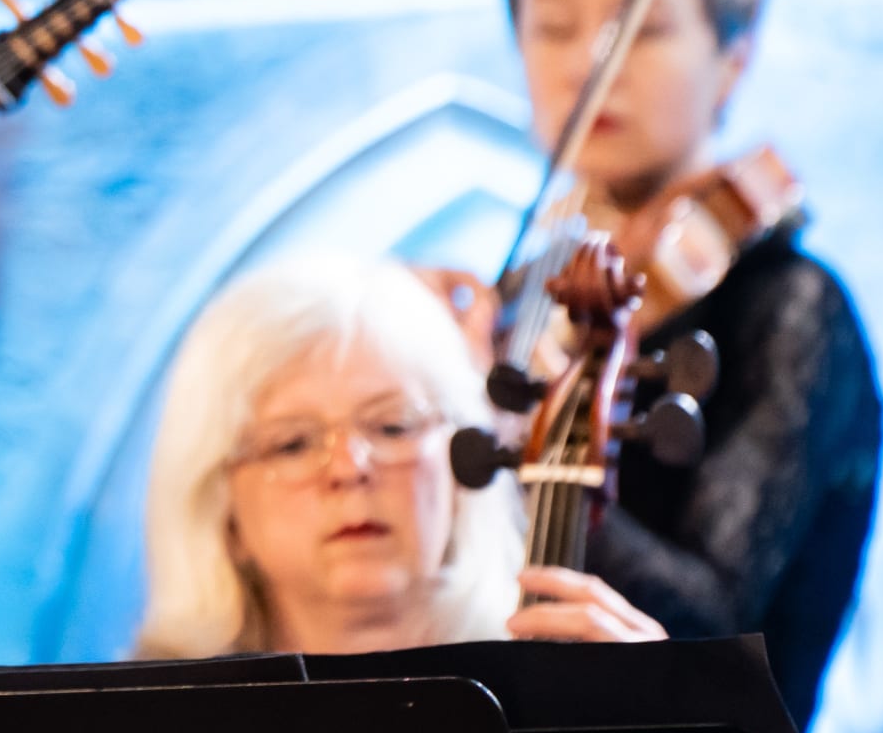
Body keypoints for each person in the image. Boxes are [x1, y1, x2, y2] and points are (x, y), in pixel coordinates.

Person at [492, 0, 883, 723]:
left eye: (643, 29)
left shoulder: (788, 308)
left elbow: (717, 624)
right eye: (554, 28)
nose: (594, 67)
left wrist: (550, 474)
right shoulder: (524, 303)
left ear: (734, 60)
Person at [137, 253, 666, 659]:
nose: (349, 468)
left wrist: (685, 730)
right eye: (292, 443)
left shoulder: (572, 678)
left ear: (463, 466)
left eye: (393, 425)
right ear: (223, 512)